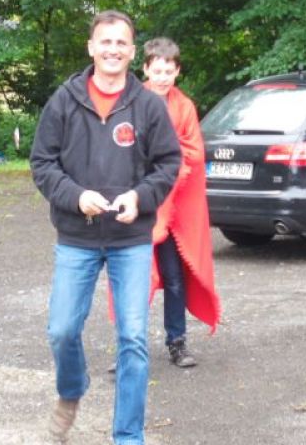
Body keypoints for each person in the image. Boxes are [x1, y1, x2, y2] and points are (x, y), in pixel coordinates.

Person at [30, 10, 181, 444]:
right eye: (105, 41)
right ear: (91, 47)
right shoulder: (64, 100)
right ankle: (71, 389)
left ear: (132, 52)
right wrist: (75, 196)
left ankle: (128, 436)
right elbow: (42, 163)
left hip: (130, 239)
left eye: (121, 43)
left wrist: (141, 196)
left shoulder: (149, 105)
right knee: (61, 331)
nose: (113, 49)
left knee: (132, 337)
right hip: (77, 237)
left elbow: (168, 163)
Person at [108, 37, 221, 368]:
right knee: (132, 280)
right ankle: (127, 347)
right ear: (145, 68)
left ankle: (177, 342)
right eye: (157, 71)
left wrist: (159, 156)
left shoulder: (184, 107)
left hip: (172, 211)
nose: (162, 78)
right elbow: (117, 148)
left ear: (177, 71)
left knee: (173, 277)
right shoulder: (128, 101)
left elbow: (194, 154)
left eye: (168, 72)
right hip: (136, 207)